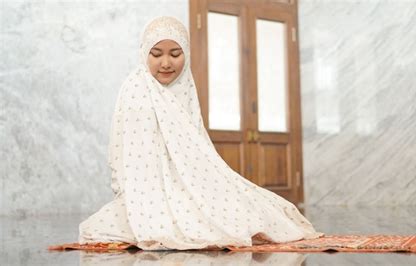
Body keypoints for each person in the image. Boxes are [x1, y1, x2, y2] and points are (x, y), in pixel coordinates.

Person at [78, 16, 324, 251]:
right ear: (144, 54)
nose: (166, 63)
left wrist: (201, 185)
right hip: (145, 190)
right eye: (156, 54)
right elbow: (128, 153)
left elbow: (195, 147)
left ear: (186, 53)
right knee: (105, 227)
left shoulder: (185, 86)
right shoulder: (136, 89)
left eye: (175, 54)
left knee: (237, 209)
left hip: (189, 183)